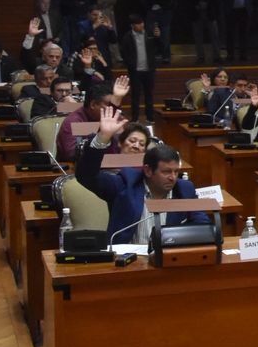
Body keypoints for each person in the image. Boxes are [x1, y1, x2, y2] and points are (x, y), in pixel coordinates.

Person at [79, 105, 211, 244]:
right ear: (148, 171)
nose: (173, 177)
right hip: (128, 255)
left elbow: (203, 227)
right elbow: (86, 176)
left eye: (176, 171)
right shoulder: (125, 184)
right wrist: (102, 139)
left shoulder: (184, 189)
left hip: (168, 255)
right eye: (166, 172)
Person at [58, 78, 127, 162]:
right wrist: (102, 135)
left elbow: (122, 149)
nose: (112, 110)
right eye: (109, 105)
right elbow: (71, 154)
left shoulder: (115, 118)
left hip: (113, 164)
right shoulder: (73, 122)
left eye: (114, 106)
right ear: (93, 104)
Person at [120, 14, 156, 121]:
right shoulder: (127, 37)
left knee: (149, 95)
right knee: (135, 96)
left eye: (142, 23)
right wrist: (130, 64)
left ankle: (150, 117)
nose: (141, 25)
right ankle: (135, 118)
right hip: (135, 71)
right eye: (138, 24)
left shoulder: (149, 34)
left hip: (149, 70)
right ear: (132, 25)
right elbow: (124, 52)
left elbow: (157, 48)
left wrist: (158, 37)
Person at [139, 0, 177, 65]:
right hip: (151, 12)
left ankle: (166, 56)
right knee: (150, 33)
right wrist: (150, 6)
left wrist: (163, 7)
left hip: (165, 13)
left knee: (165, 35)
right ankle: (152, 55)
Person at [221, 0, 254, 64]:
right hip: (231, 11)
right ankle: (230, 55)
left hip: (244, 11)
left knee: (244, 34)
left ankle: (243, 55)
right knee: (230, 34)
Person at [187, 0, 219, 66]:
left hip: (210, 13)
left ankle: (216, 56)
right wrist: (195, 5)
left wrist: (207, 4)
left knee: (214, 35)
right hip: (196, 13)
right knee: (198, 37)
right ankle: (200, 57)